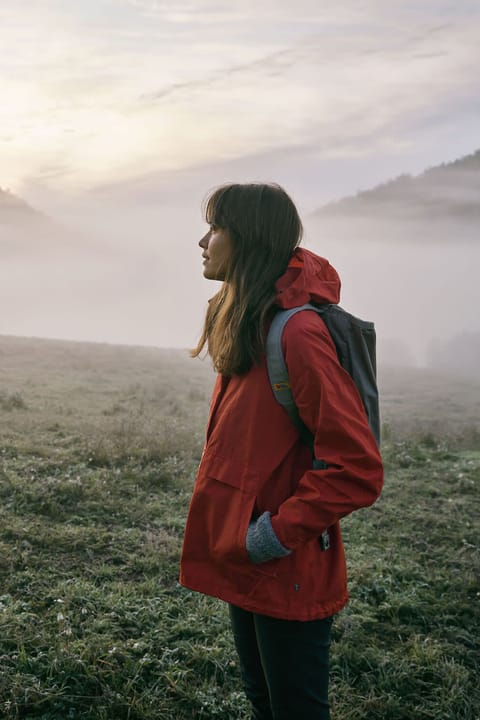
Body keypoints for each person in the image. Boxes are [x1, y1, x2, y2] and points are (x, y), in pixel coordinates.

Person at [179, 183, 384, 720]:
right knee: (263, 703)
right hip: (245, 554)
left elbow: (357, 469)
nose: (203, 241)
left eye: (215, 228)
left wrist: (270, 536)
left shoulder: (297, 334)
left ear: (246, 239)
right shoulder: (249, 318)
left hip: (284, 561)